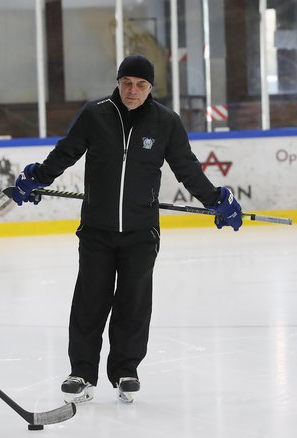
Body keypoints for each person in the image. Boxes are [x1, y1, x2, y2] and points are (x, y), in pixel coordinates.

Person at [12, 54, 242, 404]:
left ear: (151, 88)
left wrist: (215, 200)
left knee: (133, 303)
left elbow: (186, 167)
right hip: (96, 230)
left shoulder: (166, 122)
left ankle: (125, 370)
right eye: (126, 83)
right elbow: (66, 152)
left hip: (141, 232)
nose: (132, 91)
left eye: (140, 85)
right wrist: (37, 178)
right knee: (90, 301)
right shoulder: (96, 114)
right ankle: (82, 373)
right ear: (118, 83)